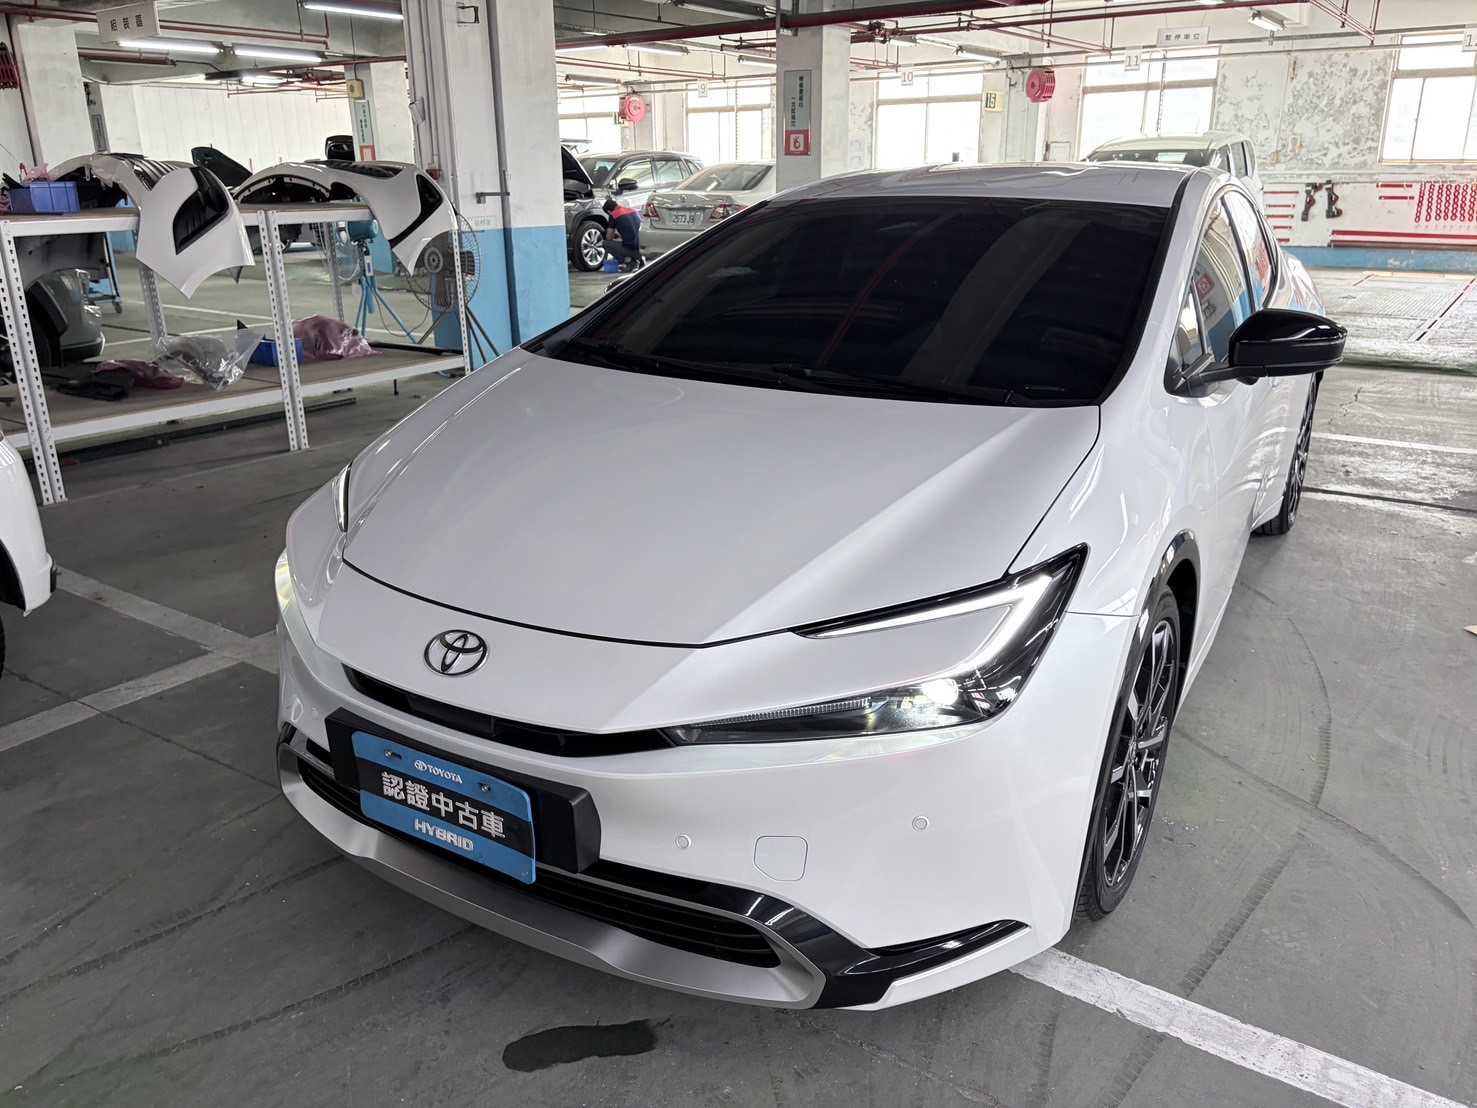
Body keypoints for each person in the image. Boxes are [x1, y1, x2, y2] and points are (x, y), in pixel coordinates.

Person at [602, 197, 645, 271]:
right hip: (642, 249)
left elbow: (609, 237)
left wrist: (609, 232)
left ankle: (628, 261)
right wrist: (619, 235)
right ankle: (639, 259)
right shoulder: (633, 210)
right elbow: (632, 231)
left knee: (605, 243)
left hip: (631, 250)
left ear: (609, 211)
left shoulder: (614, 215)